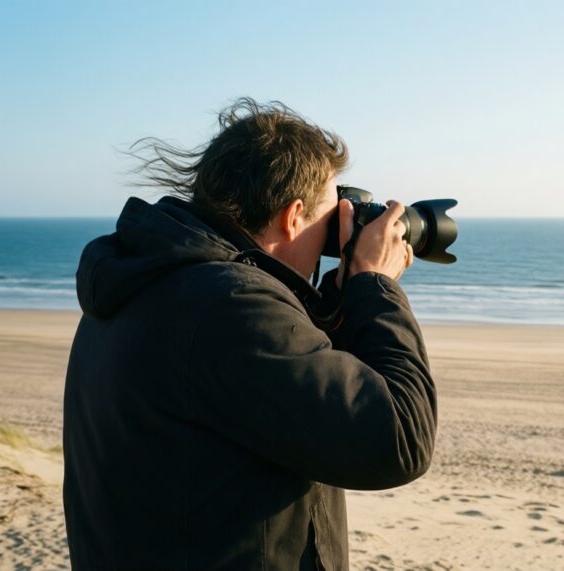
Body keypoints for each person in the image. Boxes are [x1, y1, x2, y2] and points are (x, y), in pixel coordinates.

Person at [63, 98, 437, 570]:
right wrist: (375, 285)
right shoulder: (227, 306)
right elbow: (400, 439)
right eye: (327, 219)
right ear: (292, 215)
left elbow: (281, 390)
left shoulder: (142, 280)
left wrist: (342, 300)